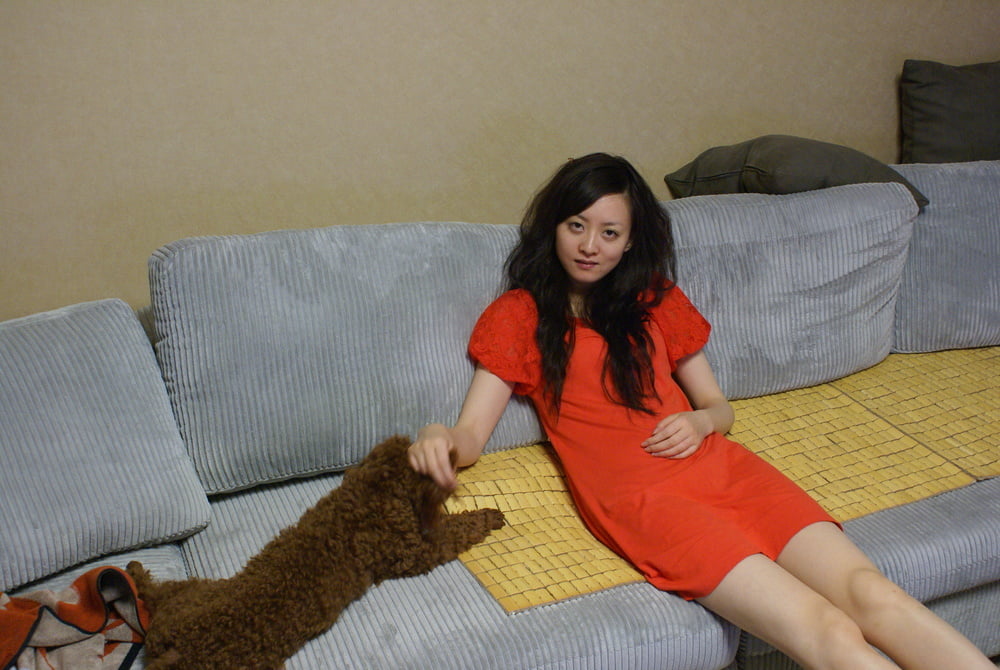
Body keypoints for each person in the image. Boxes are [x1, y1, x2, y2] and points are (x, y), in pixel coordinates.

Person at [407, 153, 993, 670]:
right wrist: (438, 435)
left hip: (722, 468)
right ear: (553, 227)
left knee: (873, 593)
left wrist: (701, 420)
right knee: (827, 629)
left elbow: (718, 406)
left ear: (630, 240)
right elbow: (470, 435)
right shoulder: (520, 314)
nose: (589, 246)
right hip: (647, 503)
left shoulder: (654, 298)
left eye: (609, 232)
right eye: (576, 226)